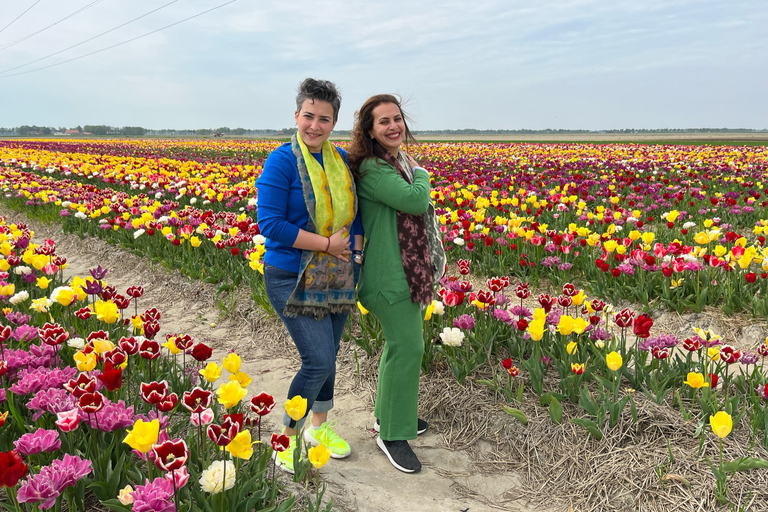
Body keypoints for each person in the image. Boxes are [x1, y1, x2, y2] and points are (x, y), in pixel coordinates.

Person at [256, 78, 363, 473]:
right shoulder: (282, 160)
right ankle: (286, 438)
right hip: (289, 272)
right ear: (296, 115)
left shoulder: (339, 162)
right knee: (317, 360)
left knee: (329, 357)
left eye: (324, 119)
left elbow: (357, 214)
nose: (315, 126)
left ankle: (318, 429)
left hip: (337, 271)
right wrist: (325, 245)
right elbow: (269, 223)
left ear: (334, 123)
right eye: (308, 116)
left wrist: (356, 254)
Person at [347, 94, 445, 473]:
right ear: (369, 130)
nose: (393, 126)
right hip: (390, 278)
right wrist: (422, 173)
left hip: (410, 272)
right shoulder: (374, 169)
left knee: (398, 348)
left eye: (397, 118)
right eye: (383, 121)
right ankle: (392, 435)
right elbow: (414, 201)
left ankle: (387, 416)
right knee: (408, 348)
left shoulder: (396, 162)